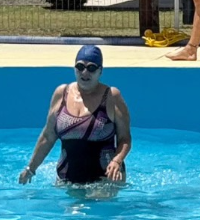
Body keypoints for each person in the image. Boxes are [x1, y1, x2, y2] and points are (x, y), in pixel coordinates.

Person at [18, 45, 132, 185]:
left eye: (91, 68)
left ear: (100, 71)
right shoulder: (61, 94)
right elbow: (48, 136)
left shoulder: (111, 97)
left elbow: (125, 138)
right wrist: (31, 168)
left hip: (104, 181)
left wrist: (117, 160)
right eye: (80, 67)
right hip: (67, 179)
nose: (85, 73)